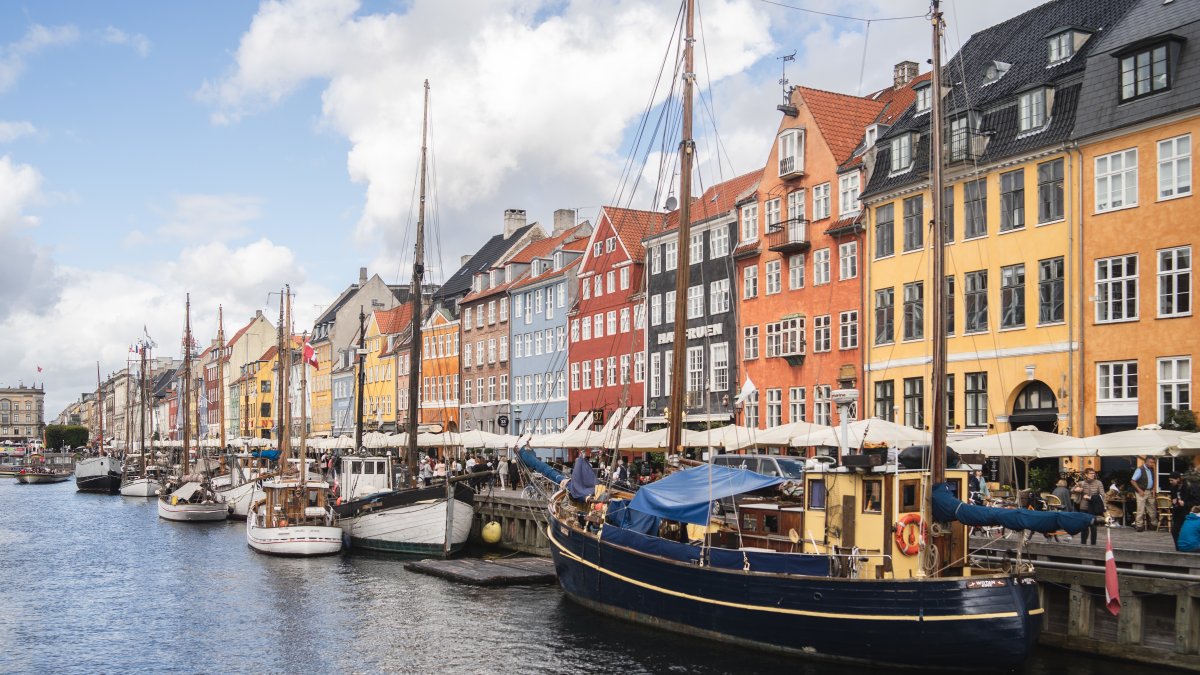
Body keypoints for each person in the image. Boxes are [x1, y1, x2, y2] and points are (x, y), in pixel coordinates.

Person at [1074, 467, 1105, 545]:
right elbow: (1072, 490)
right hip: (1083, 507)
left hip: (1093, 507)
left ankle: (1093, 544)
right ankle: (1083, 543)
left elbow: (1102, 495)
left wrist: (1091, 498)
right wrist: (1076, 490)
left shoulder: (1098, 483)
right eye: (1091, 473)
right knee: (1084, 527)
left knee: (1093, 527)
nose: (1093, 475)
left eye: (1094, 473)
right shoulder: (1081, 483)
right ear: (1086, 474)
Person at [1131, 457, 1158, 532]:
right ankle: (1139, 525)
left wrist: (1153, 489)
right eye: (1151, 462)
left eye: (1153, 462)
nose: (1152, 464)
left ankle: (1153, 524)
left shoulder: (1151, 469)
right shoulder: (1140, 469)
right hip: (1141, 491)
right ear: (1146, 462)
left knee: (1152, 509)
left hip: (1149, 491)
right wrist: (1139, 490)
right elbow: (1133, 481)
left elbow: (1152, 480)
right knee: (1141, 509)